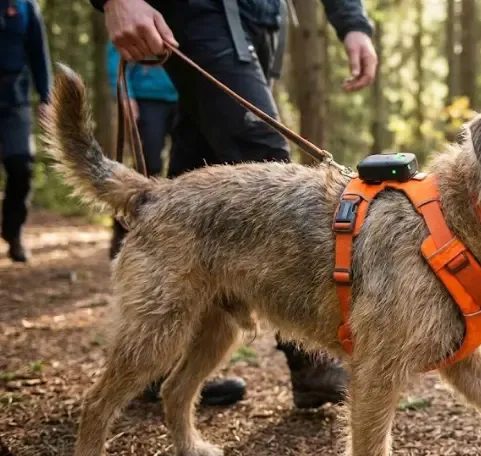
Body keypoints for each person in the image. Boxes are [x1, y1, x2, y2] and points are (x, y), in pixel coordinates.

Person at [88, 0, 378, 409]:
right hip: (199, 10)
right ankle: (311, 360)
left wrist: (353, 23)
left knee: (203, 164)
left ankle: (163, 364)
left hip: (261, 19)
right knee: (263, 154)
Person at [106, 41, 178, 259]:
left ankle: (172, 236)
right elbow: (116, 51)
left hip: (186, 97)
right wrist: (125, 94)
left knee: (183, 171)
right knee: (147, 168)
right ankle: (122, 231)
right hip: (147, 97)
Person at [0, 0, 50, 263]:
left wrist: (46, 97)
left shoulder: (26, 7)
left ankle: (13, 231)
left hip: (15, 98)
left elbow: (38, 54)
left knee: (21, 165)